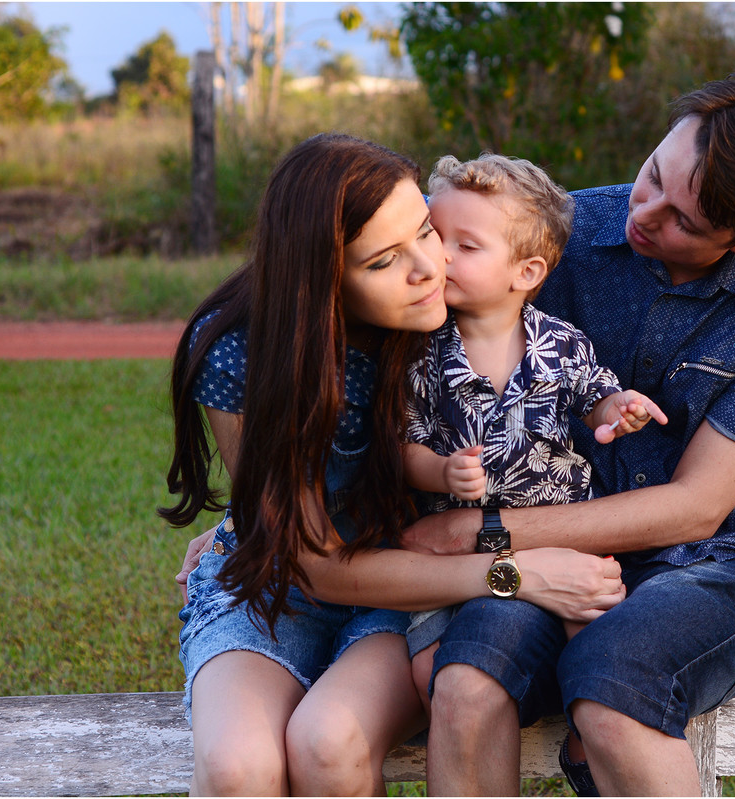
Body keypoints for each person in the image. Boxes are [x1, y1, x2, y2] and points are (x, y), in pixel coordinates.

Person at [404, 68, 735, 796]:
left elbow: (697, 505)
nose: (647, 213)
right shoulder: (558, 236)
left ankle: (597, 745)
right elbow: (389, 259)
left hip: (715, 560)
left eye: (686, 222)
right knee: (465, 683)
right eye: (654, 176)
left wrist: (480, 533)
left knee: (613, 683)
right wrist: (259, 506)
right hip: (555, 551)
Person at [161, 133, 625, 796]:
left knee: (329, 740)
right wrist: (513, 572)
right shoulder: (241, 353)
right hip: (280, 584)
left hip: (403, 592)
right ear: (322, 278)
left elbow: (517, 225)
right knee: (239, 767)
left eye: (427, 232)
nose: (428, 268)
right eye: (383, 261)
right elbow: (307, 554)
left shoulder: (450, 321)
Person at [400, 153, 668, 699]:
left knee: (597, 647)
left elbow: (594, 397)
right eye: (435, 236)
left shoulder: (560, 342)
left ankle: (587, 727)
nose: (439, 257)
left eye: (466, 246)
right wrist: (443, 472)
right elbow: (402, 448)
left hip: (557, 533)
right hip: (453, 548)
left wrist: (618, 409)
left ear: (526, 273)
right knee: (430, 669)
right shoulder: (418, 351)